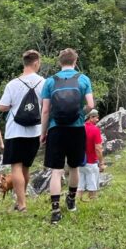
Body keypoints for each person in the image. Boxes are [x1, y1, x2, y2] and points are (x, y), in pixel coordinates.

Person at [40, 48, 94, 225]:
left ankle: (55, 210)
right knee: (74, 167)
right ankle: (71, 200)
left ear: (59, 62)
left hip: (56, 129)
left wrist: (43, 132)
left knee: (56, 171)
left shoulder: (50, 81)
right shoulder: (83, 79)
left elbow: (46, 110)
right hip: (76, 128)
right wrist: (79, 112)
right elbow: (91, 105)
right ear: (75, 61)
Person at [0, 49, 44, 213]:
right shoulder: (43, 82)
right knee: (25, 167)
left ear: (24, 63)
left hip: (15, 130)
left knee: (15, 167)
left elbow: (2, 106)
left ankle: (22, 203)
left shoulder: (13, 83)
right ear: (36, 63)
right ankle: (21, 199)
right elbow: (46, 106)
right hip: (34, 130)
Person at [78, 108, 105, 200]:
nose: (97, 120)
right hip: (91, 162)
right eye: (96, 118)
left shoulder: (80, 127)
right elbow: (98, 148)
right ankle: (93, 204)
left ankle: (76, 203)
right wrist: (101, 163)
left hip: (79, 162)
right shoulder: (95, 129)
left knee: (79, 185)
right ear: (91, 117)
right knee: (93, 185)